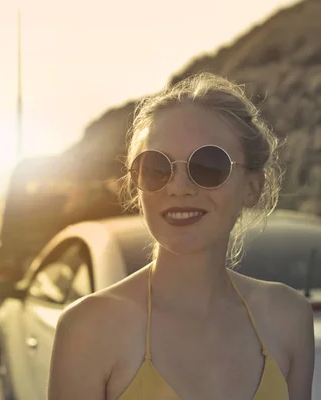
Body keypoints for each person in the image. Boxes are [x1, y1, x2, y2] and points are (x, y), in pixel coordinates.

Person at [48, 73, 315, 400]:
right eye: (157, 167)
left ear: (252, 187)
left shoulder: (288, 318)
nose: (178, 187)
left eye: (208, 165)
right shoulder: (88, 328)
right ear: (137, 184)